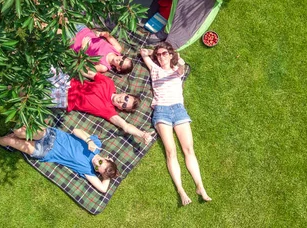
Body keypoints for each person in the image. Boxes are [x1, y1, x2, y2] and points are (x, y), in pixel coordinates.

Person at [140, 42, 212, 205]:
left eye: (164, 54)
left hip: (179, 110)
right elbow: (143, 52)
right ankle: (181, 190)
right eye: (158, 55)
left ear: (171, 54)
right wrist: (154, 52)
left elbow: (181, 63)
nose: (160, 57)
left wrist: (173, 55)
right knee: (171, 151)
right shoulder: (154, 68)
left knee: (188, 149)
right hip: (161, 110)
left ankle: (200, 186)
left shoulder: (177, 70)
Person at [0, 127, 118, 193]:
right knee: (19, 131)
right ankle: (17, 135)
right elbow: (76, 130)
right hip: (51, 135)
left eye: (98, 169)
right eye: (101, 163)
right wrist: (88, 140)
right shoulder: (96, 145)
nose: (96, 165)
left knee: (8, 140)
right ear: (106, 158)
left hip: (45, 151)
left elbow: (103, 189)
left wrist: (107, 175)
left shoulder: (87, 171)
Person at [48, 66, 155, 145]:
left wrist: (142, 134)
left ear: (120, 108)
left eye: (124, 105)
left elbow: (125, 126)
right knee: (42, 67)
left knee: (35, 92)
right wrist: (75, 64)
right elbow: (89, 73)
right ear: (125, 93)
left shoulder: (109, 111)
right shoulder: (109, 83)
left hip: (64, 99)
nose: (122, 101)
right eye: (126, 98)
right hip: (67, 82)